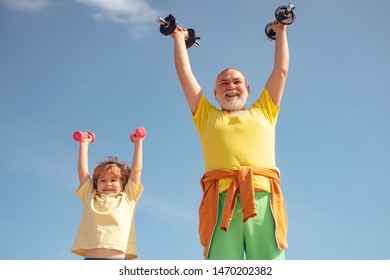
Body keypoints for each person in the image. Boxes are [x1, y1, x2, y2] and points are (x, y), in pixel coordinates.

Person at [170, 20, 290, 260]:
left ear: (247, 88)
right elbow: (185, 76)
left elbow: (281, 71)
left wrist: (282, 32)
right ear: (215, 93)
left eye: (237, 82)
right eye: (223, 83)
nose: (231, 86)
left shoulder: (265, 110)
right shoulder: (206, 116)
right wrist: (178, 40)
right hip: (219, 202)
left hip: (263, 198)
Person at [71, 132, 145, 260]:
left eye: (113, 180)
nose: (108, 184)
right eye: (102, 180)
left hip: (117, 260)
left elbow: (136, 170)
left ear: (123, 184)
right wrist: (84, 143)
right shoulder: (90, 196)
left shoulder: (128, 197)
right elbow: (83, 172)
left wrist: (138, 142)